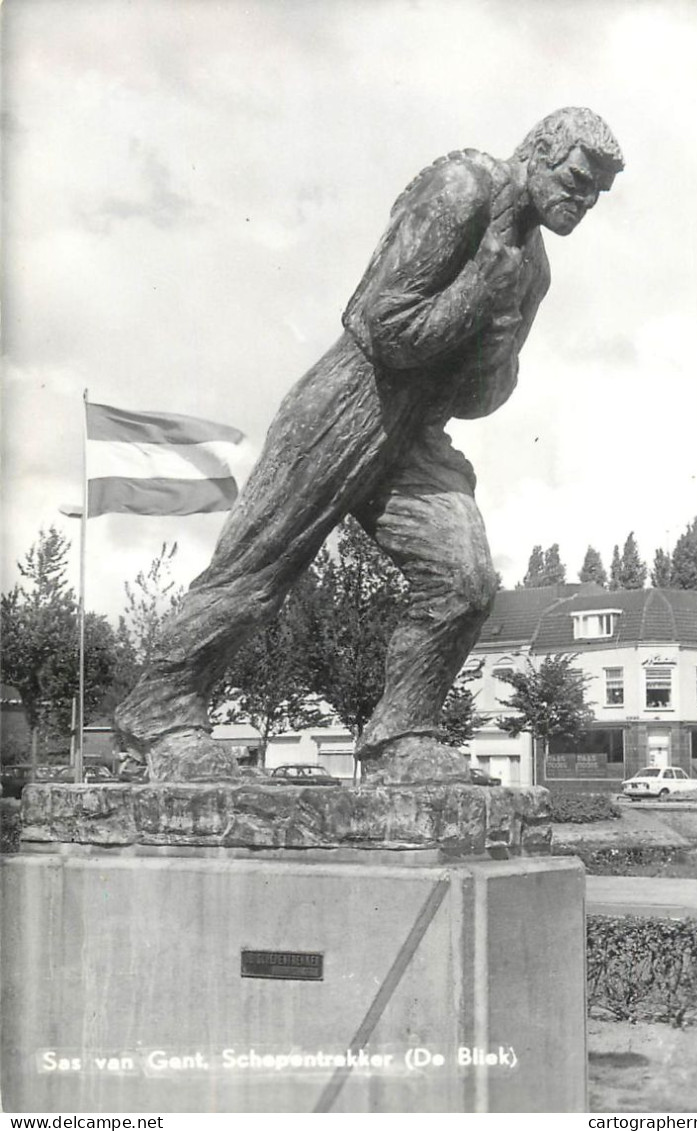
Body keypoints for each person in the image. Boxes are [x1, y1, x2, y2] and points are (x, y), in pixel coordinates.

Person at [115, 107, 624, 782]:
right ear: (539, 149)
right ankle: (159, 716)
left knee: (464, 581)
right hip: (349, 402)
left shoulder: (534, 270)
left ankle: (400, 736)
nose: (584, 201)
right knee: (257, 573)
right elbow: (380, 324)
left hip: (415, 434)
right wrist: (478, 292)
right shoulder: (463, 187)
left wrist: (497, 347)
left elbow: (479, 399)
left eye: (597, 193)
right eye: (578, 180)